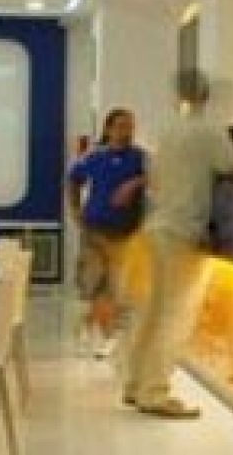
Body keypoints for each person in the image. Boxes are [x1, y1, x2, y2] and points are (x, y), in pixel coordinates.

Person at [120, 70, 233, 419]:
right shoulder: (210, 132)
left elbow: (154, 179)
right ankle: (155, 392)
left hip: (157, 227)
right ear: (208, 95)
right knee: (174, 315)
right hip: (183, 232)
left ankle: (135, 384)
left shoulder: (166, 131)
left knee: (150, 313)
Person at [67, 109, 146, 358]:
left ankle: (103, 330)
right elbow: (73, 179)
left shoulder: (141, 159)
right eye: (121, 126)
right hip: (94, 229)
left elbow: (157, 178)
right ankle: (103, 331)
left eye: (130, 126)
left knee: (115, 285)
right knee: (96, 283)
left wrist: (134, 184)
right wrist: (75, 210)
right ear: (109, 129)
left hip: (125, 232)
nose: (127, 132)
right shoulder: (95, 157)